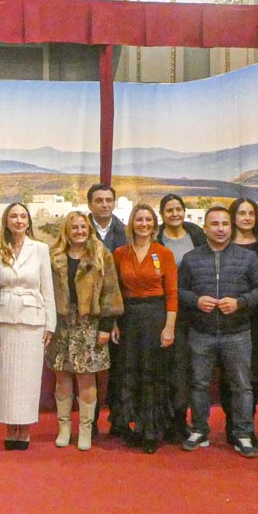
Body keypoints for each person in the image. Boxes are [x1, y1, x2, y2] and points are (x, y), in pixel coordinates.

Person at [178, 206, 258, 458]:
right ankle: (199, 430)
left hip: (237, 333)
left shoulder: (247, 257)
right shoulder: (191, 258)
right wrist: (196, 301)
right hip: (201, 332)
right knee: (198, 384)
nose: (220, 229)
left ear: (231, 228)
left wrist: (240, 302)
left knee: (241, 386)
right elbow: (178, 291)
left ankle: (242, 434)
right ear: (205, 228)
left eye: (225, 224)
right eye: (215, 224)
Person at [47, 210, 122, 452]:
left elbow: (110, 293)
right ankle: (64, 427)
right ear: (66, 232)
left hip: (90, 325)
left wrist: (106, 327)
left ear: (89, 230)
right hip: (61, 324)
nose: (79, 231)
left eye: (83, 227)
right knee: (62, 377)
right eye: (74, 228)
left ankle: (87, 428)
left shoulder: (102, 255)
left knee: (87, 378)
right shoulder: (54, 256)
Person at [111, 204, 175, 454]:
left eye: (149, 219)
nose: (144, 224)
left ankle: (152, 430)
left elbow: (172, 293)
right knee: (130, 371)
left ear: (154, 224)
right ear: (131, 223)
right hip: (129, 317)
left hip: (156, 316)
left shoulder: (164, 253)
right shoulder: (119, 253)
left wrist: (169, 327)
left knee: (153, 372)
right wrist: (114, 322)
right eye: (139, 219)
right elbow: (114, 293)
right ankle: (133, 427)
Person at [0, 203, 55, 450]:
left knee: (28, 378)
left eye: (23, 216)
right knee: (5, 376)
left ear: (29, 221)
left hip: (33, 320)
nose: (18, 220)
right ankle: (9, 427)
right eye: (13, 216)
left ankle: (25, 428)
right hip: (4, 318)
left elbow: (46, 288)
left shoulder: (40, 249)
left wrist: (50, 324)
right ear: (6, 221)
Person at [222, 197, 258, 443]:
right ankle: (230, 424)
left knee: (250, 376)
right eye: (241, 213)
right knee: (227, 375)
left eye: (250, 213)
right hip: (225, 319)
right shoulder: (221, 245)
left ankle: (247, 426)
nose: (246, 218)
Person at [156, 193, 206, 443]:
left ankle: (179, 419)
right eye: (169, 210)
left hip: (190, 311)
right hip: (159, 310)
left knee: (182, 370)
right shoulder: (156, 237)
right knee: (161, 369)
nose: (174, 214)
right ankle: (159, 420)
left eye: (178, 209)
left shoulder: (195, 235)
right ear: (162, 214)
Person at [85, 183, 126, 437]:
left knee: (120, 369)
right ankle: (89, 422)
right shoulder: (79, 229)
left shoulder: (125, 231)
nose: (104, 204)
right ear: (90, 204)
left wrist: (115, 319)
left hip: (118, 309)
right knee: (89, 371)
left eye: (109, 200)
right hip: (86, 312)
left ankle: (119, 419)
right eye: (99, 200)